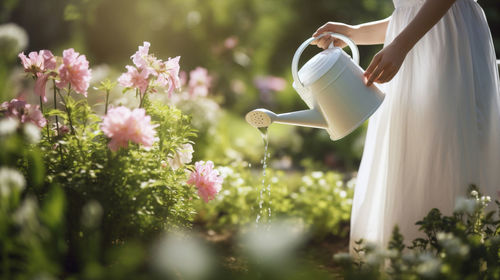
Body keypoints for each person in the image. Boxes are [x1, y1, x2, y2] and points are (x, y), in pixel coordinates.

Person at [312, 0, 500, 254]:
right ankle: (413, 257)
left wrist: (400, 46)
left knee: (445, 150)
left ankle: (451, 257)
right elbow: (411, 12)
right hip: (418, 48)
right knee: (413, 150)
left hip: (450, 46)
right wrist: (354, 33)